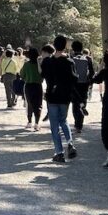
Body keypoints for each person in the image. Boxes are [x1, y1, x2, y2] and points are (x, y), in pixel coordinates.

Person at [40, 35, 78, 163]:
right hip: (65, 96)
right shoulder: (69, 62)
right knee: (63, 120)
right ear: (65, 46)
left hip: (52, 96)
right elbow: (75, 79)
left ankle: (59, 152)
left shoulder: (47, 61)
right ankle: (70, 143)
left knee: (54, 125)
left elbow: (43, 75)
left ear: (54, 45)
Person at [70, 39, 94, 137]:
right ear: (82, 48)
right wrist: (90, 82)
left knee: (75, 104)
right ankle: (80, 125)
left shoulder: (71, 58)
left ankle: (77, 126)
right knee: (83, 101)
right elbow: (92, 72)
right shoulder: (88, 59)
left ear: (73, 48)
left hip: (74, 84)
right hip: (84, 83)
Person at [20, 48, 43, 130]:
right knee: (38, 104)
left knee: (29, 104)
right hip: (38, 86)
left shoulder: (26, 64)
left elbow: (22, 75)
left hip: (28, 86)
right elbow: (42, 76)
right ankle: (37, 123)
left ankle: (29, 122)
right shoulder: (40, 65)